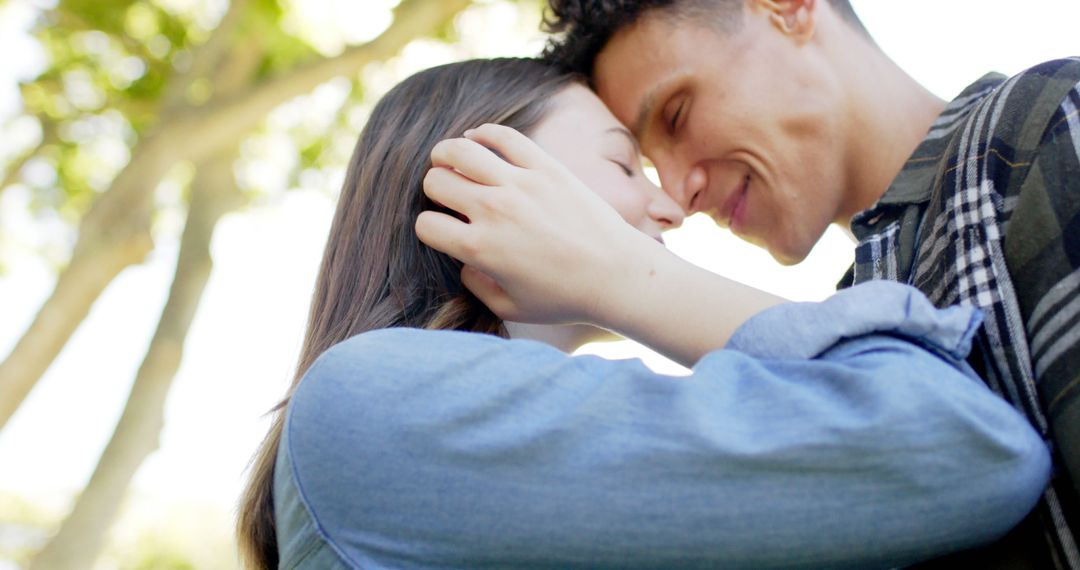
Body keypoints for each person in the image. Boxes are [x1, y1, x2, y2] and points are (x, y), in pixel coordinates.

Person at [236, 58, 1049, 569]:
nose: (669, 206)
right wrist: (630, 278)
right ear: (482, 172)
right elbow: (960, 446)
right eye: (625, 161)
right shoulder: (371, 399)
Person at [416, 1, 1080, 567]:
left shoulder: (1043, 123)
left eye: (675, 116)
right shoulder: (854, 329)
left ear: (786, 8)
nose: (678, 193)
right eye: (642, 164)